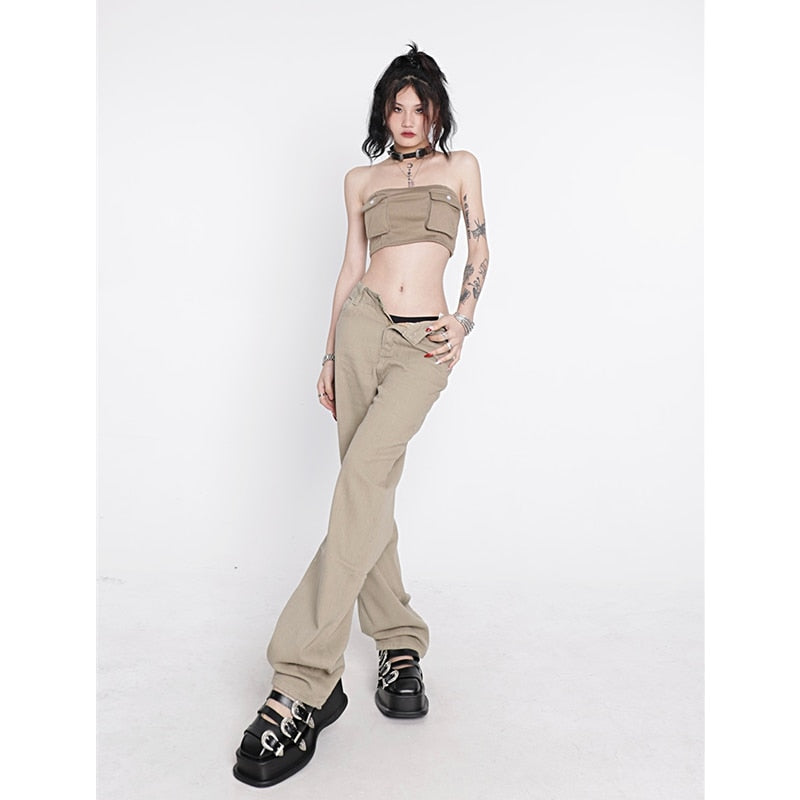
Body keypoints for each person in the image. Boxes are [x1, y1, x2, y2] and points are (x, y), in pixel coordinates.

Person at [233, 41, 489, 788]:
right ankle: (398, 643)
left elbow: (480, 250)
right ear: (384, 114)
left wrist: (464, 321)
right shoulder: (361, 180)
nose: (408, 119)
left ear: (436, 113)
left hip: (424, 344)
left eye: (420, 107)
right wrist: (326, 354)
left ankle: (302, 679)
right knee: (366, 492)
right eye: (396, 107)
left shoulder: (461, 167)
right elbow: (350, 267)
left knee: (359, 485)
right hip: (361, 331)